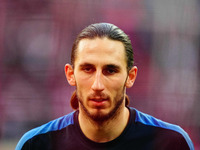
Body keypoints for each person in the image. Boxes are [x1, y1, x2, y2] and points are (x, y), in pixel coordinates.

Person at [15, 23, 194, 150]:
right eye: (87, 69)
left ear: (130, 77)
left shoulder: (171, 143)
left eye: (110, 70)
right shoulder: (36, 144)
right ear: (70, 74)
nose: (98, 85)